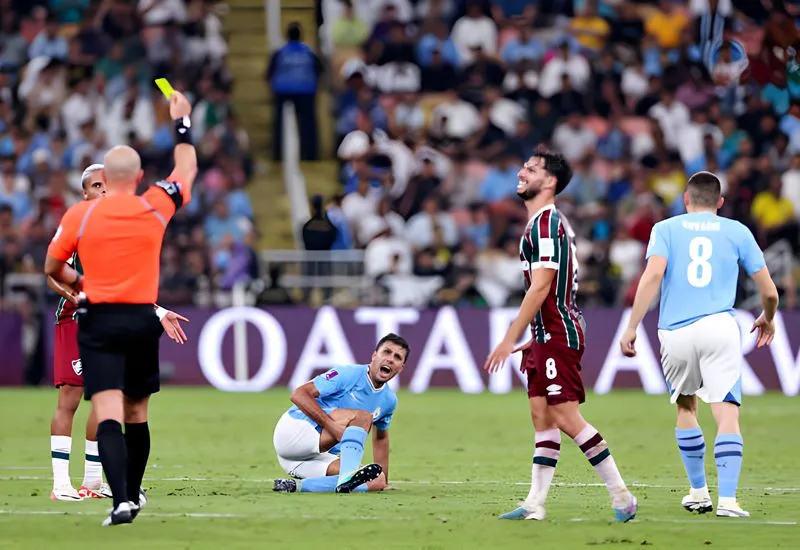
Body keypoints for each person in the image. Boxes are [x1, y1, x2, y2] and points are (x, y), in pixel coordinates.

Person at [44, 90, 198, 526]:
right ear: (140, 176)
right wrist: (181, 121)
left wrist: (84, 283)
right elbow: (186, 168)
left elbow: (52, 266)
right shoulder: (154, 204)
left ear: (105, 180)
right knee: (139, 413)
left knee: (107, 408)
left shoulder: (80, 216)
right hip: (139, 316)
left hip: (99, 319)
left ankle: (121, 503)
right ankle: (129, 488)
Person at [484, 147, 638, 522]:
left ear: (549, 182)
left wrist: (509, 337)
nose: (522, 171)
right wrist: (532, 336)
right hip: (544, 334)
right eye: (524, 165)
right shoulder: (542, 223)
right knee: (542, 417)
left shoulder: (547, 224)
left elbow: (541, 288)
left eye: (531, 168)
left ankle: (622, 496)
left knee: (566, 418)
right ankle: (535, 503)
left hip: (557, 332)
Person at [619, 171, 779, 518]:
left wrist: (631, 326)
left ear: (685, 200)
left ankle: (697, 492)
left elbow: (653, 276)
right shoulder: (737, 230)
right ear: (719, 203)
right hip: (719, 327)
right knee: (726, 411)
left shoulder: (665, 229)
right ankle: (728, 501)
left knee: (686, 407)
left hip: (674, 330)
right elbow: (769, 291)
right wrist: (768, 316)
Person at [272, 333, 408, 494]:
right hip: (294, 431)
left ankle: (295, 486)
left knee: (376, 479)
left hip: (303, 460)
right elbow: (298, 394)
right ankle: (347, 478)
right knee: (364, 417)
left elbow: (381, 437)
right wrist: (333, 428)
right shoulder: (348, 374)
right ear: (374, 355)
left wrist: (385, 480)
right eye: (386, 352)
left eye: (397, 357)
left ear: (401, 367)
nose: (390, 359)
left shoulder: (389, 400)